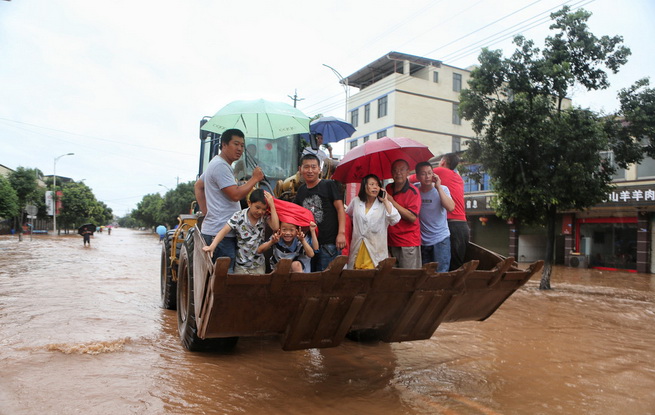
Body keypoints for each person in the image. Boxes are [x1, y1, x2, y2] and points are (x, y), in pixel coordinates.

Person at [194, 128, 265, 272]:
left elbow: (198, 186)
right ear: (224, 144)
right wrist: (255, 179)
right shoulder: (220, 166)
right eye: (236, 144)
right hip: (221, 234)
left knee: (214, 280)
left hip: (217, 230)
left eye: (242, 145)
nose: (239, 149)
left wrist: (207, 212)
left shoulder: (217, 163)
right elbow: (235, 195)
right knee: (224, 280)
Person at [202, 189, 279, 274]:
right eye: (257, 207)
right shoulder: (238, 216)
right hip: (241, 266)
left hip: (258, 265)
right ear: (249, 203)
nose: (260, 211)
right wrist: (212, 246)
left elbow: (275, 227)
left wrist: (272, 205)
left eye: (264, 209)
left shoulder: (264, 217)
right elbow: (224, 231)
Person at [293, 153, 347, 271]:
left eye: (313, 167)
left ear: (319, 169)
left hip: (329, 244)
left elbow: (340, 209)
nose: (310, 170)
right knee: (311, 280)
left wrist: (341, 233)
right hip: (309, 245)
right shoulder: (301, 191)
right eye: (306, 167)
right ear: (300, 170)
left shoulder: (329, 185)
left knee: (327, 281)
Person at [346, 174, 400, 269]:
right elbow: (349, 215)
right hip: (358, 247)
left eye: (377, 185)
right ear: (364, 186)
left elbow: (395, 219)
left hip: (375, 250)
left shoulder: (384, 205)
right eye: (371, 184)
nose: (375, 187)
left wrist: (386, 201)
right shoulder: (356, 201)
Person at [415, 161, 455, 272]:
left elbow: (451, 207)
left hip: (441, 239)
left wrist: (438, 187)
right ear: (417, 176)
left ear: (433, 174)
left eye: (429, 173)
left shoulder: (443, 189)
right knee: (424, 275)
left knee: (441, 274)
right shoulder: (415, 189)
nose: (427, 176)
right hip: (423, 241)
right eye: (423, 174)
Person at [386, 159, 422, 268]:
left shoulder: (413, 192)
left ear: (408, 172)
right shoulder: (388, 188)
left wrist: (392, 201)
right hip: (390, 241)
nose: (398, 173)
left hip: (408, 243)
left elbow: (412, 217)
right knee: (393, 279)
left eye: (402, 170)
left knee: (409, 278)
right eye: (395, 170)